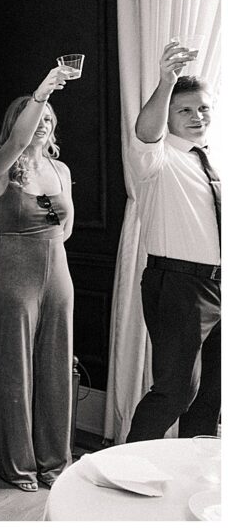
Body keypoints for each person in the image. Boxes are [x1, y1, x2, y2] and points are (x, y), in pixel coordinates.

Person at [0, 67, 74, 492]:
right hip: (16, 270)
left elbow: (67, 226)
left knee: (56, 367)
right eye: (37, 117)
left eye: (49, 119)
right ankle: (17, 465)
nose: (44, 125)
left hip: (58, 270)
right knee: (15, 369)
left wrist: (54, 235)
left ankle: (55, 461)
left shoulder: (61, 169)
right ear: (19, 123)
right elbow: (19, 142)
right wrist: (41, 92)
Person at [126, 41, 220, 442]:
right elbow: (144, 131)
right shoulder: (158, 157)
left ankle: (192, 484)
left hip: (217, 284)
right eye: (185, 110)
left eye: (202, 108)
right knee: (177, 390)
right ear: (169, 116)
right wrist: (165, 82)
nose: (197, 117)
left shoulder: (214, 157)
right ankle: (121, 475)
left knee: (211, 395)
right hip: (177, 285)